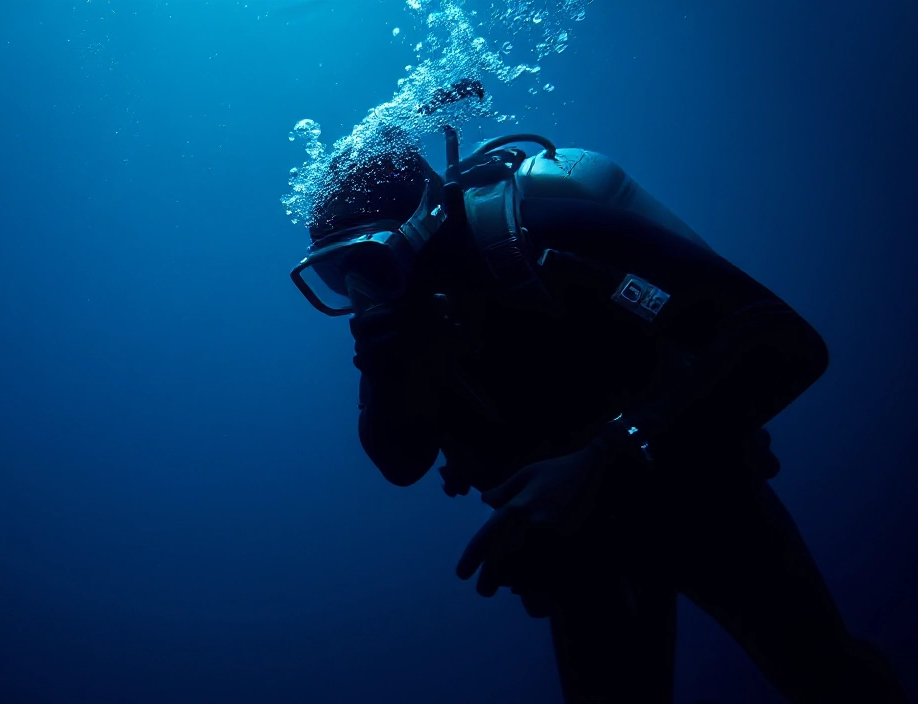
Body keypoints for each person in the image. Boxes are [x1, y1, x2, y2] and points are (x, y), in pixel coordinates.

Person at [289, 125, 907, 703]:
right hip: (580, 552)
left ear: (423, 226)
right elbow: (400, 462)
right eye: (339, 278)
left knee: (828, 679)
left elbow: (782, 337)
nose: (361, 295)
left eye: (368, 263)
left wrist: (601, 461)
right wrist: (392, 370)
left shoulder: (544, 235)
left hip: (704, 498)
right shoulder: (399, 326)